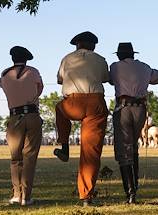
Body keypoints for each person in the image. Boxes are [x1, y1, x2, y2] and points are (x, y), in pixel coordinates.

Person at [54, 31, 109, 206]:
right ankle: (86, 196)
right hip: (95, 104)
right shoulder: (100, 59)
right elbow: (105, 78)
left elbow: (59, 80)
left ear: (77, 45)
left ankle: (64, 145)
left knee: (59, 108)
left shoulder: (67, 58)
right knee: (90, 152)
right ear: (93, 45)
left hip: (72, 103)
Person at [109, 42, 158, 203]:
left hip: (123, 108)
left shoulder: (115, 66)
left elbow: (110, 80)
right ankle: (135, 187)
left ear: (119, 55)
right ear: (133, 54)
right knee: (133, 146)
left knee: (124, 149)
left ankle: (130, 192)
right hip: (140, 109)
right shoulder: (145, 67)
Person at [0, 46, 44, 206]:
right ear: (27, 59)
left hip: (14, 116)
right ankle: (26, 196)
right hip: (32, 115)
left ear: (12, 58)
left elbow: (1, 84)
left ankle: (16, 194)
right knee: (29, 157)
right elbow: (40, 89)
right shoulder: (33, 71)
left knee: (15, 158)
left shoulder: (4, 74)